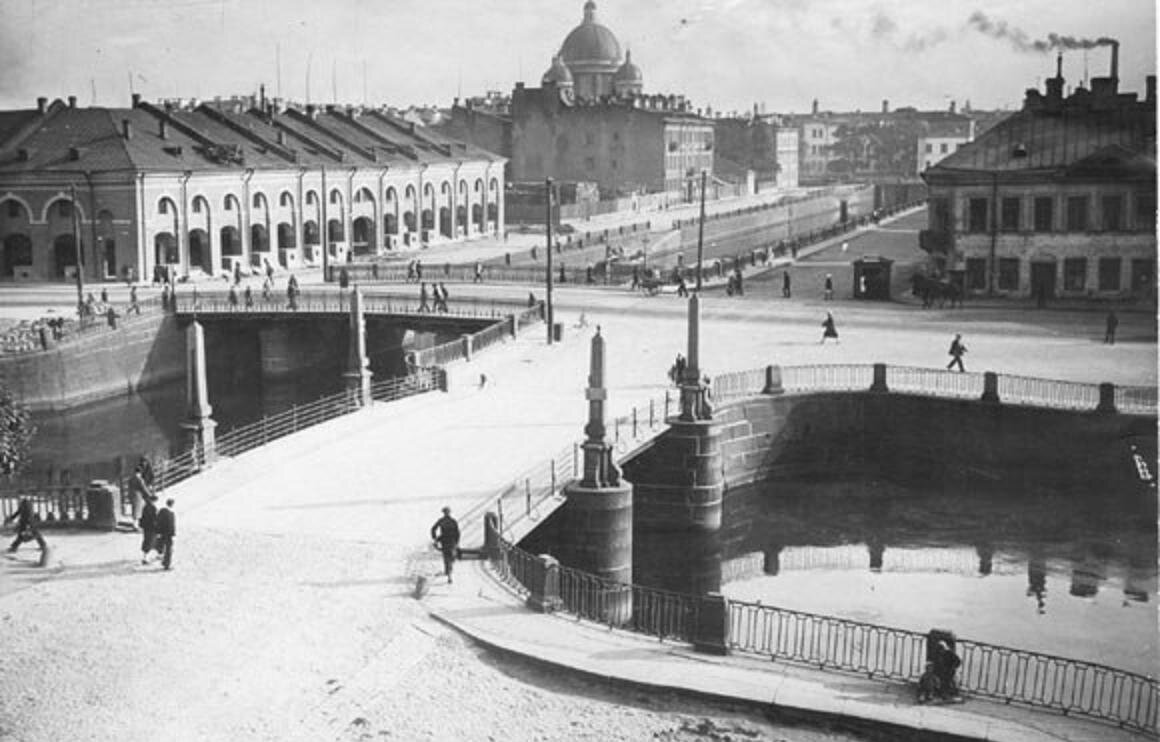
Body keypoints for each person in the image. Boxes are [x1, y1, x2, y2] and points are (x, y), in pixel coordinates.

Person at [430, 506, 460, 583]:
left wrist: (435, 538)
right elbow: (457, 533)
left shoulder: (442, 521)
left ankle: (448, 571)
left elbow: (433, 529)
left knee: (446, 556)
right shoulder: (453, 521)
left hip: (444, 540)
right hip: (451, 541)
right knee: (450, 556)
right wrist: (456, 542)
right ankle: (449, 573)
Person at [155, 498, 176, 570]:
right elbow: (172, 526)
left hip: (162, 533)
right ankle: (167, 564)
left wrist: (158, 532)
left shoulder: (162, 511)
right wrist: (173, 534)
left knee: (162, 547)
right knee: (169, 550)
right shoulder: (171, 513)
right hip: (168, 534)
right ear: (172, 504)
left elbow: (157, 522)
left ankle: (163, 561)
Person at [138, 493, 159, 564]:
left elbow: (142, 518)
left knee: (148, 541)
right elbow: (155, 518)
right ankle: (145, 559)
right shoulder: (153, 508)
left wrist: (141, 526)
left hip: (146, 528)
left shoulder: (145, 507)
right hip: (152, 528)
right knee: (150, 542)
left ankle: (150, 556)